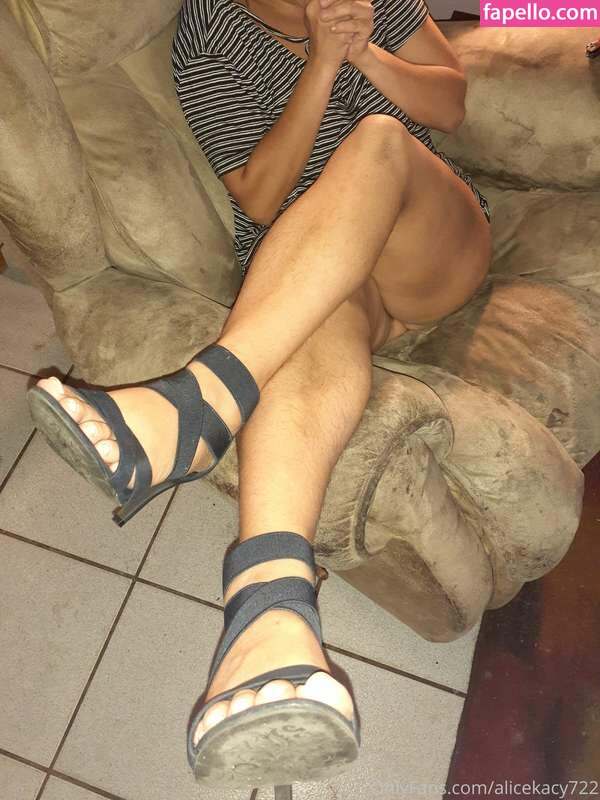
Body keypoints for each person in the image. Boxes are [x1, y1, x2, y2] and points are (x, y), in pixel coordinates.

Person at [27, 0, 493, 789]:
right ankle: (270, 614)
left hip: (429, 237)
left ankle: (200, 403)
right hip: (316, 264)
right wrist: (320, 65)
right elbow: (261, 199)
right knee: (308, 317)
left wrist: (364, 52)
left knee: (380, 140)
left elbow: (450, 105)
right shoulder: (208, 33)